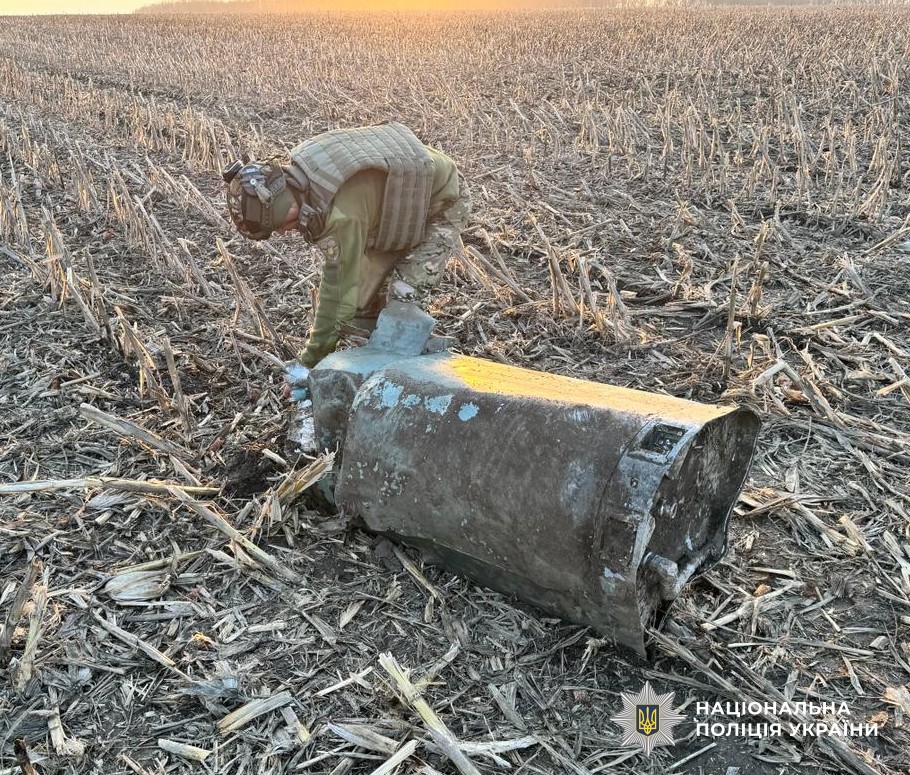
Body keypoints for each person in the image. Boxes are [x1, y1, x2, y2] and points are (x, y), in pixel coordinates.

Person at [223, 121, 471, 372]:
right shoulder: (301, 174)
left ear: (284, 201)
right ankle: (374, 359)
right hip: (391, 205)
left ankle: (411, 375)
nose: (284, 232)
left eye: (281, 224)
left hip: (440, 197)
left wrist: (309, 363)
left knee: (402, 302)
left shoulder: (340, 215)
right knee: (364, 304)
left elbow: (338, 292)